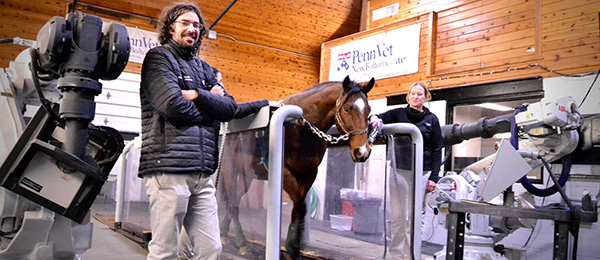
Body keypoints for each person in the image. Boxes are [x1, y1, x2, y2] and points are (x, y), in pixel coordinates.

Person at [138, 2, 237, 259]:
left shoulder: (206, 69)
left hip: (202, 173)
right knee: (165, 250)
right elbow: (172, 106)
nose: (192, 29)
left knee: (210, 248)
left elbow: (228, 108)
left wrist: (195, 94)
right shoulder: (159, 58)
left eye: (196, 25)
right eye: (185, 23)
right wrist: (209, 104)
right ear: (171, 28)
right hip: (169, 168)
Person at [178, 67, 281, 260]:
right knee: (182, 220)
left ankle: (186, 252)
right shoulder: (190, 103)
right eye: (218, 82)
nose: (222, 86)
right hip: (187, 167)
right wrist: (207, 97)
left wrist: (267, 103)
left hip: (204, 169)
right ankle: (183, 253)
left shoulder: (217, 106)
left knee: (199, 224)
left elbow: (235, 109)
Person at [369, 81, 442, 259]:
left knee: (415, 216)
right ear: (408, 96)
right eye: (413, 94)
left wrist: (434, 177)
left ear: (426, 98)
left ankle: (411, 255)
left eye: (420, 94)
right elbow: (375, 116)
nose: (416, 97)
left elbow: (437, 149)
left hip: (422, 173)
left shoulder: (432, 120)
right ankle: (395, 255)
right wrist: (375, 120)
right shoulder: (398, 113)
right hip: (399, 172)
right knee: (397, 216)